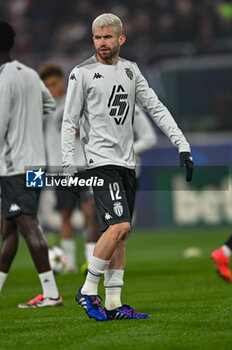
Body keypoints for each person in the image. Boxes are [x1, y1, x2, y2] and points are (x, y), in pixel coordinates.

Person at [62, 13, 193, 321]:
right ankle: (87, 290)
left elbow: (156, 109)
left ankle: (114, 304)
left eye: (107, 37)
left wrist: (182, 144)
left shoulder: (131, 72)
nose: (101, 43)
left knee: (119, 233)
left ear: (121, 39)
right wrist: (68, 166)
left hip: (126, 163)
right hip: (99, 162)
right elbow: (69, 122)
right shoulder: (81, 73)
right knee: (119, 226)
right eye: (97, 37)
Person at [0, 21, 63, 308]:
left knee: (28, 225)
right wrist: (28, 124)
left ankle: (51, 294)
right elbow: (49, 105)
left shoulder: (2, 79)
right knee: (10, 228)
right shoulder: (28, 73)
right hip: (36, 164)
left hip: (14, 165)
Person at [39, 63, 100, 272]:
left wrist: (81, 129)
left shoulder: (76, 98)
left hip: (82, 165)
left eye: (54, 84)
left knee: (89, 210)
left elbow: (92, 125)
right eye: (47, 86)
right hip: (59, 169)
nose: (51, 89)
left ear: (62, 81)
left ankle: (91, 261)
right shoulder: (43, 107)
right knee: (65, 214)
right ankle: (69, 264)